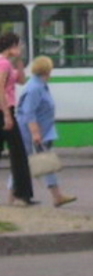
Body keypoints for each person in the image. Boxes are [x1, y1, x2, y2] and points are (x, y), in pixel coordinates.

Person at [16, 55, 76, 207]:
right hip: (33, 132)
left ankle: (57, 196)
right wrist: (36, 133)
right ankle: (15, 198)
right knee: (24, 164)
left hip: (42, 130)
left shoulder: (40, 85)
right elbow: (29, 112)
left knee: (40, 163)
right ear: (46, 70)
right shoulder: (35, 87)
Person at [0, 32, 35, 206]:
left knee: (18, 153)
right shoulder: (3, 63)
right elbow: (0, 90)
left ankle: (23, 194)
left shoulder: (8, 63)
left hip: (6, 110)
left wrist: (20, 61)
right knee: (19, 154)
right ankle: (23, 194)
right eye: (18, 45)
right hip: (4, 111)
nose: (20, 48)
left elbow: (21, 80)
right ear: (12, 46)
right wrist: (7, 115)